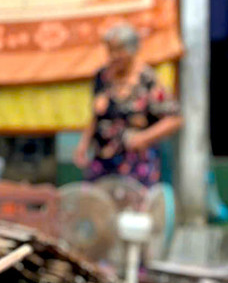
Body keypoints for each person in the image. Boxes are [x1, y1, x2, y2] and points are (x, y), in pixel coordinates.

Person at [73, 23, 183, 185]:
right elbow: (97, 115)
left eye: (119, 50)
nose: (114, 56)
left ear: (133, 50)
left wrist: (143, 138)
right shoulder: (103, 77)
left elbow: (175, 119)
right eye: (110, 51)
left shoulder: (146, 80)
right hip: (103, 158)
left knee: (132, 206)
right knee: (96, 203)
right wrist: (83, 145)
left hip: (135, 160)